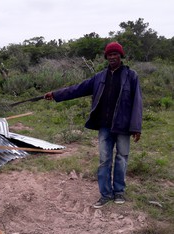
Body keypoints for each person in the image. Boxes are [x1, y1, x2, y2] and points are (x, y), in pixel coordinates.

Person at [44, 42, 143, 208]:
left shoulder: (131, 76)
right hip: (104, 126)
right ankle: (105, 194)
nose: (112, 57)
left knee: (122, 158)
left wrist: (136, 127)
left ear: (121, 56)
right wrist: (55, 94)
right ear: (106, 57)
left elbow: (137, 102)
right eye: (109, 54)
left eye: (115, 54)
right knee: (105, 160)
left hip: (123, 126)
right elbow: (77, 89)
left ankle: (119, 192)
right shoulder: (100, 77)